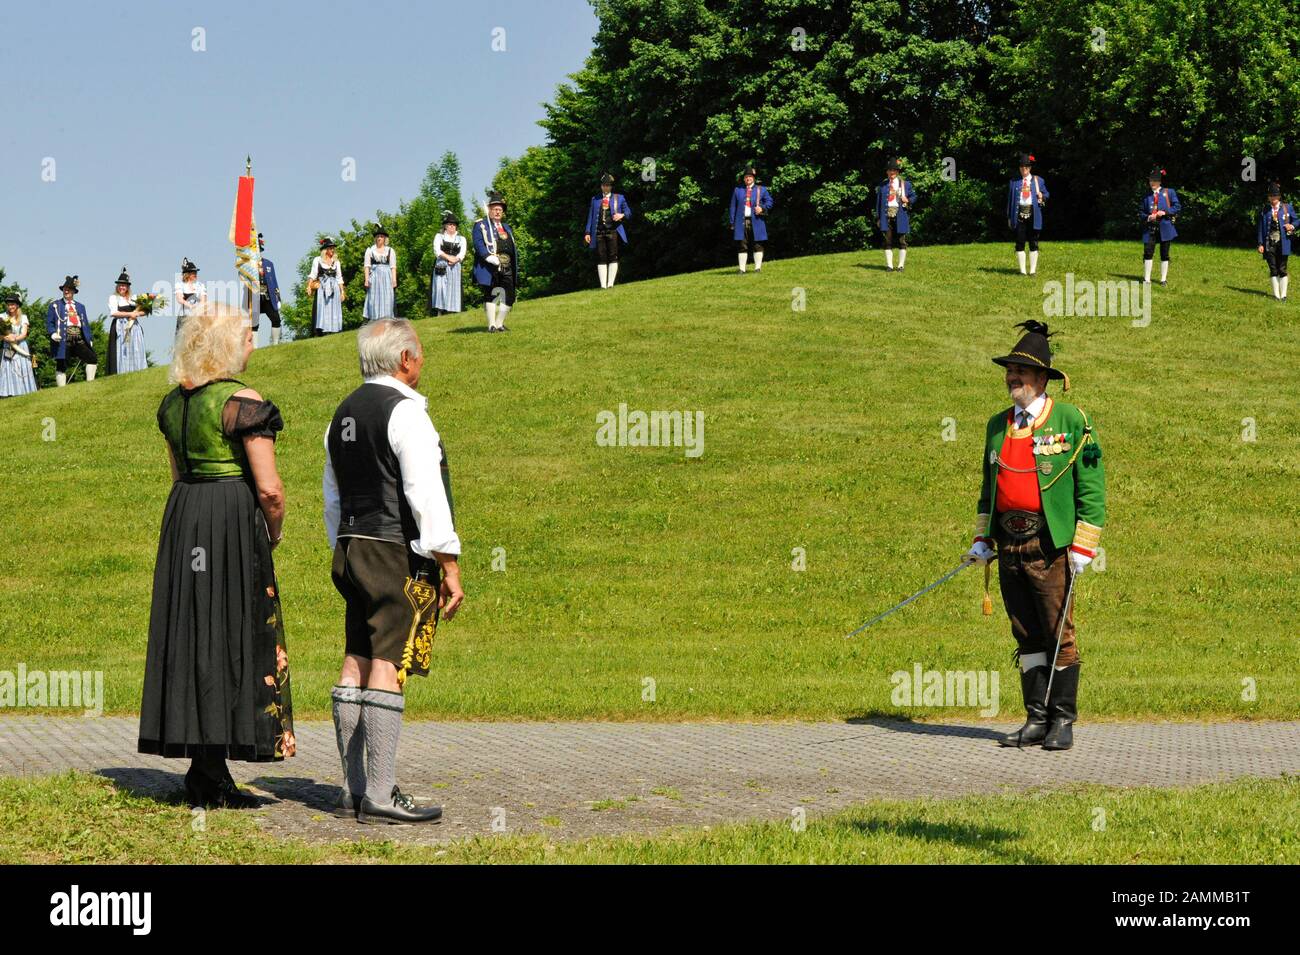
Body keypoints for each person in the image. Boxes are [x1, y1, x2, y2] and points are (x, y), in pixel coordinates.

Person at [138, 302, 295, 807]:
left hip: (185, 516)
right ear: (224, 344)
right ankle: (212, 769)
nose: (254, 343)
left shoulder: (172, 404)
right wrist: (272, 530)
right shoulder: (242, 401)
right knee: (232, 631)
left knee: (194, 632)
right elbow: (269, 488)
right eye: (248, 336)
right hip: (229, 518)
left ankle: (205, 766)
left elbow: (177, 472)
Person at [322, 318, 464, 823]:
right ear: (404, 359)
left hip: (349, 546)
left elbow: (333, 495)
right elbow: (423, 494)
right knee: (388, 664)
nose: (423, 361)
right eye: (420, 353)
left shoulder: (341, 414)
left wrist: (342, 546)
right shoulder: (406, 414)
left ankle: (353, 789)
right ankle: (380, 795)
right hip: (393, 551)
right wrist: (447, 561)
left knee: (356, 658)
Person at [964, 321, 1105, 752]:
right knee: (1024, 631)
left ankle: (1062, 719)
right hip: (1008, 546)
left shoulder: (1072, 420)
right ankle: (1035, 717)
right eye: (1009, 371)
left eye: (1020, 373)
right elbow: (989, 488)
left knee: (1058, 630)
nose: (1012, 378)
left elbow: (1091, 487)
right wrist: (982, 539)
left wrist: (1084, 545)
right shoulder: (996, 425)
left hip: (1051, 545)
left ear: (1042, 379)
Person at [472, 192, 518, 332]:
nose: (498, 212)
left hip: (507, 265)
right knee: (491, 294)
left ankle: (499, 323)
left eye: (500, 210)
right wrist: (488, 257)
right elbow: (478, 243)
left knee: (509, 295)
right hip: (490, 265)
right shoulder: (481, 225)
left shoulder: (506, 227)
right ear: (489, 210)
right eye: (495, 209)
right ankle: (491, 324)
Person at [45, 275, 96, 386]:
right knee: (61, 364)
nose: (66, 290)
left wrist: (89, 338)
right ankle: (61, 391)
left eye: (69, 288)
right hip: (63, 338)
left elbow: (85, 324)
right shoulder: (54, 305)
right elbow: (49, 323)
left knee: (92, 358)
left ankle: (90, 385)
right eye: (65, 288)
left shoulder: (80, 306)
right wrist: (53, 333)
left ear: (73, 291)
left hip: (79, 337)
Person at [584, 173, 632, 288]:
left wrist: (622, 215)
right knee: (601, 257)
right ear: (601, 186)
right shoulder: (595, 199)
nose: (606, 187)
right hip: (598, 232)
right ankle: (603, 286)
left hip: (613, 231)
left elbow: (629, 213)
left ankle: (610, 284)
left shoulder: (619, 198)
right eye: (604, 185)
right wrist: (587, 232)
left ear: (611, 186)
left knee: (613, 256)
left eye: (608, 185)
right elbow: (590, 216)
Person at [1007, 153, 1048, 276]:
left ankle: (1032, 271)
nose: (1023, 169)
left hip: (1033, 215)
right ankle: (1022, 271)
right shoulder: (1013, 182)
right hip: (1018, 214)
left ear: (1029, 168)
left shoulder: (1038, 180)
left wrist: (1042, 196)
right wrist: (1009, 217)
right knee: (1019, 242)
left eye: (1026, 167)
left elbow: (1046, 194)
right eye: (1021, 167)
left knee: (1033, 242)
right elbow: (1010, 200)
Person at [1257, 181, 1296, 302]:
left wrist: (1292, 226)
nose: (1272, 198)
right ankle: (1276, 295)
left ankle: (1283, 295)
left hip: (1284, 243)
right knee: (1273, 269)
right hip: (1269, 244)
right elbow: (1260, 228)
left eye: (1274, 196)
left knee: (1282, 269)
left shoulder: (1287, 207)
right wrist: (1260, 243)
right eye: (1270, 196)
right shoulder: (1265, 209)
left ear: (1279, 196)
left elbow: (1297, 220)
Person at [729, 166, 773, 274]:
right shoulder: (737, 190)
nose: (748, 178)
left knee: (757, 244)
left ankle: (757, 268)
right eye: (746, 177)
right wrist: (732, 222)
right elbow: (732, 207)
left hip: (757, 221)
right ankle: (742, 269)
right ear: (744, 179)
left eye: (750, 176)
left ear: (753, 178)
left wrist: (762, 208)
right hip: (741, 222)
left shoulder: (761, 189)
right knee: (742, 245)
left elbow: (770, 202)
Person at [1142, 167, 1180, 285]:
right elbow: (1141, 212)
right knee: (1148, 252)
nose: (1152, 183)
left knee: (1164, 253)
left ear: (1159, 182)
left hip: (1165, 226)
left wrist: (1165, 212)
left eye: (1154, 180)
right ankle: (1147, 279)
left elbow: (1177, 207)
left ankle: (1163, 279)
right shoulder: (1146, 196)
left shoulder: (1169, 192)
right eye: (1150, 180)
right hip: (1150, 227)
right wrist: (1148, 217)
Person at [875, 159, 916, 272]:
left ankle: (901, 266)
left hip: (900, 215)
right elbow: (878, 203)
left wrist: (907, 199)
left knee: (901, 241)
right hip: (885, 216)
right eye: (889, 170)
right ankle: (889, 266)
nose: (891, 172)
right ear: (887, 172)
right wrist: (878, 217)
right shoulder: (882, 185)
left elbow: (914, 197)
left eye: (894, 170)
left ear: (897, 172)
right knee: (887, 241)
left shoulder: (905, 184)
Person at [105, 267, 147, 375]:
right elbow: (114, 313)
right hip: (120, 326)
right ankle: (122, 371)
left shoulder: (133, 298)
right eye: (120, 285)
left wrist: (137, 313)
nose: (121, 287)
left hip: (134, 327)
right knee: (122, 350)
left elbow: (145, 310)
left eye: (124, 285)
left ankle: (138, 370)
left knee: (136, 349)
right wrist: (130, 314)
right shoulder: (114, 298)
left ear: (128, 287)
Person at [0, 293, 37, 397]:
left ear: (17, 305)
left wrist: (15, 338)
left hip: (21, 346)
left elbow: (24, 334)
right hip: (7, 347)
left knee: (22, 369)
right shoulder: (2, 317)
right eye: (8, 304)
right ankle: (9, 393)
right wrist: (5, 337)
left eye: (12, 304)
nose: (10, 306)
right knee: (9, 369)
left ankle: (25, 391)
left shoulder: (23, 317)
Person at [431, 212, 467, 315]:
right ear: (445, 226)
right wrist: (448, 257)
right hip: (441, 264)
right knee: (440, 288)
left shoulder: (462, 239)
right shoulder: (439, 236)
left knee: (453, 287)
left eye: (454, 225)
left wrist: (455, 260)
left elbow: (462, 253)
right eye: (449, 224)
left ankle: (453, 311)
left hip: (455, 265)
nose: (452, 226)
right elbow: (437, 251)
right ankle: (439, 311)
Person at [310, 237, 346, 336]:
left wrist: (342, 292)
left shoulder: (336, 262)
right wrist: (309, 286)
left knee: (334, 308)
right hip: (322, 288)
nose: (332, 250)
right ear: (325, 250)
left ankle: (334, 329)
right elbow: (313, 274)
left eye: (333, 248)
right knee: (322, 308)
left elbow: (339, 278)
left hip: (334, 289)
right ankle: (321, 330)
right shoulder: (318, 260)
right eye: (330, 248)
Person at [253, 233, 285, 345]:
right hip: (254, 295)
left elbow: (274, 281)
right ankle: (254, 348)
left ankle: (275, 344)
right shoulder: (247, 265)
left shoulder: (269, 264)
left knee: (276, 319)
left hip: (268, 295)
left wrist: (278, 297)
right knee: (253, 323)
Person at [363, 226, 398, 321]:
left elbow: (393, 266)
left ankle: (387, 319)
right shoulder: (370, 250)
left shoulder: (390, 250)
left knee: (387, 297)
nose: (379, 238)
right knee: (374, 298)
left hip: (387, 277)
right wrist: (366, 279)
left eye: (381, 236)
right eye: (378, 236)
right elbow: (367, 266)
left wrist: (394, 280)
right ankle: (375, 319)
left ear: (385, 238)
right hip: (374, 277)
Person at [176, 258, 206, 333]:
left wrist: (199, 309)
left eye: (195, 272)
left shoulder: (200, 285)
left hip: (197, 316)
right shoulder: (180, 285)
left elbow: (203, 300)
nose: (195, 274)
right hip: (184, 316)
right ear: (187, 274)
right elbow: (180, 299)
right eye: (193, 272)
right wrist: (190, 306)